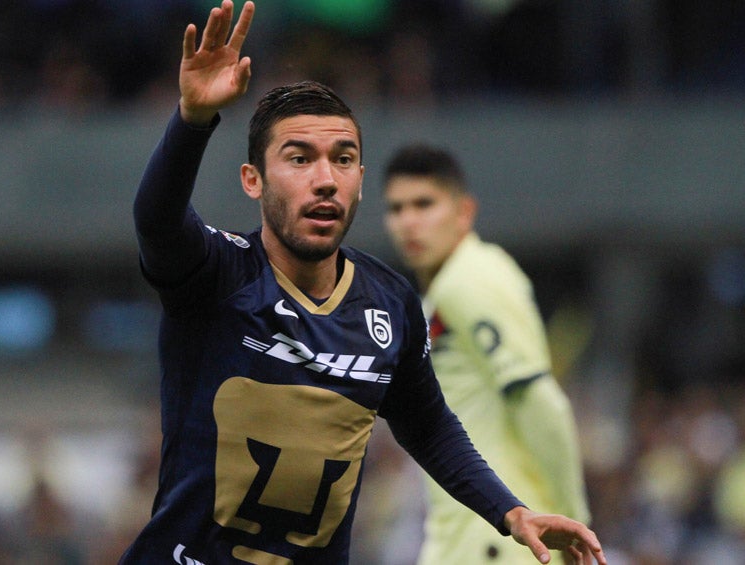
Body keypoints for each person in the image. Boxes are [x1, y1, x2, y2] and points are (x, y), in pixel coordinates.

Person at [126, 1, 607, 563]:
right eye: (300, 158)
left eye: (344, 159)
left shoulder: (390, 301)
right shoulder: (219, 274)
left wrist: (511, 510)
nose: (325, 179)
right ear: (253, 181)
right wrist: (191, 120)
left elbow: (428, 427)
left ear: (360, 181)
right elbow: (156, 221)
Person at [382, 143, 592, 563]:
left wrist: (575, 523)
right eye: (397, 208)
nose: (408, 222)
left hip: (499, 542)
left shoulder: (472, 278)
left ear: (464, 212)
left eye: (424, 204)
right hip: (467, 535)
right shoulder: (439, 293)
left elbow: (538, 400)